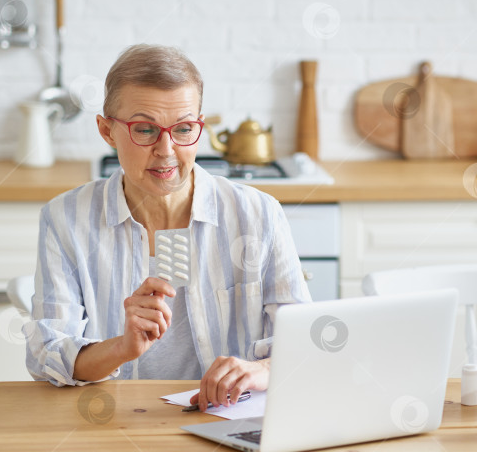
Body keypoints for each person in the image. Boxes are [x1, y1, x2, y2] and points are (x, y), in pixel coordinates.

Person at [25, 44, 311, 411]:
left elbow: (303, 344)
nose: (167, 150)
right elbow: (46, 356)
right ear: (107, 131)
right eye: (145, 130)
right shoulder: (66, 219)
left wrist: (260, 370)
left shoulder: (258, 214)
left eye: (183, 129)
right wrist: (120, 348)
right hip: (115, 422)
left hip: (225, 419)